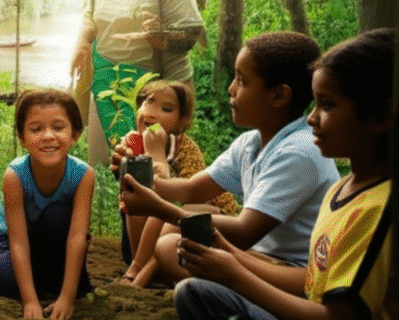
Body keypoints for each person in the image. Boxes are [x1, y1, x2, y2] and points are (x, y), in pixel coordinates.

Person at [173, 28, 398, 320]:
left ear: (379, 117)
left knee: (198, 296)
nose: (311, 119)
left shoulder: (378, 209)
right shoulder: (342, 190)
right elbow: (312, 284)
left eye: (328, 106)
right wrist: (231, 256)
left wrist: (236, 275)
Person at [119, 31, 341, 284]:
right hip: (258, 256)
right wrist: (143, 183)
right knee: (170, 246)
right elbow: (193, 189)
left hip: (294, 269)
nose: (231, 89)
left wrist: (159, 206)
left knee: (171, 246)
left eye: (242, 81)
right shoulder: (250, 143)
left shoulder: (299, 152)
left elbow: (244, 231)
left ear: (278, 96)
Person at [70, 0, 204, 167]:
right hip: (106, 84)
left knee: (146, 168)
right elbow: (90, 15)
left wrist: (159, 35)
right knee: (103, 166)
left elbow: (191, 33)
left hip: (152, 90)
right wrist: (82, 41)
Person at [115, 80, 237, 288]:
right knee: (132, 204)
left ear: (182, 119)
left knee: (165, 212)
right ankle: (139, 264)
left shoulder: (186, 148)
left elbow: (188, 196)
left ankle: (139, 272)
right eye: (148, 102)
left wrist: (156, 155)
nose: (152, 113)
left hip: (206, 216)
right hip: (158, 225)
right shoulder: (133, 142)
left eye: (166, 109)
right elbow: (131, 193)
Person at [0, 88, 95, 320]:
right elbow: (17, 240)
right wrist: (30, 301)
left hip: (54, 239)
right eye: (36, 129)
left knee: (58, 214)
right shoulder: (15, 175)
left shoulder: (83, 175)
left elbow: (78, 237)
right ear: (22, 138)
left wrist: (67, 298)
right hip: (10, 240)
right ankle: (37, 285)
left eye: (58, 127)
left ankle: (58, 286)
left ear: (75, 134)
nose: (48, 136)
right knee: (6, 281)